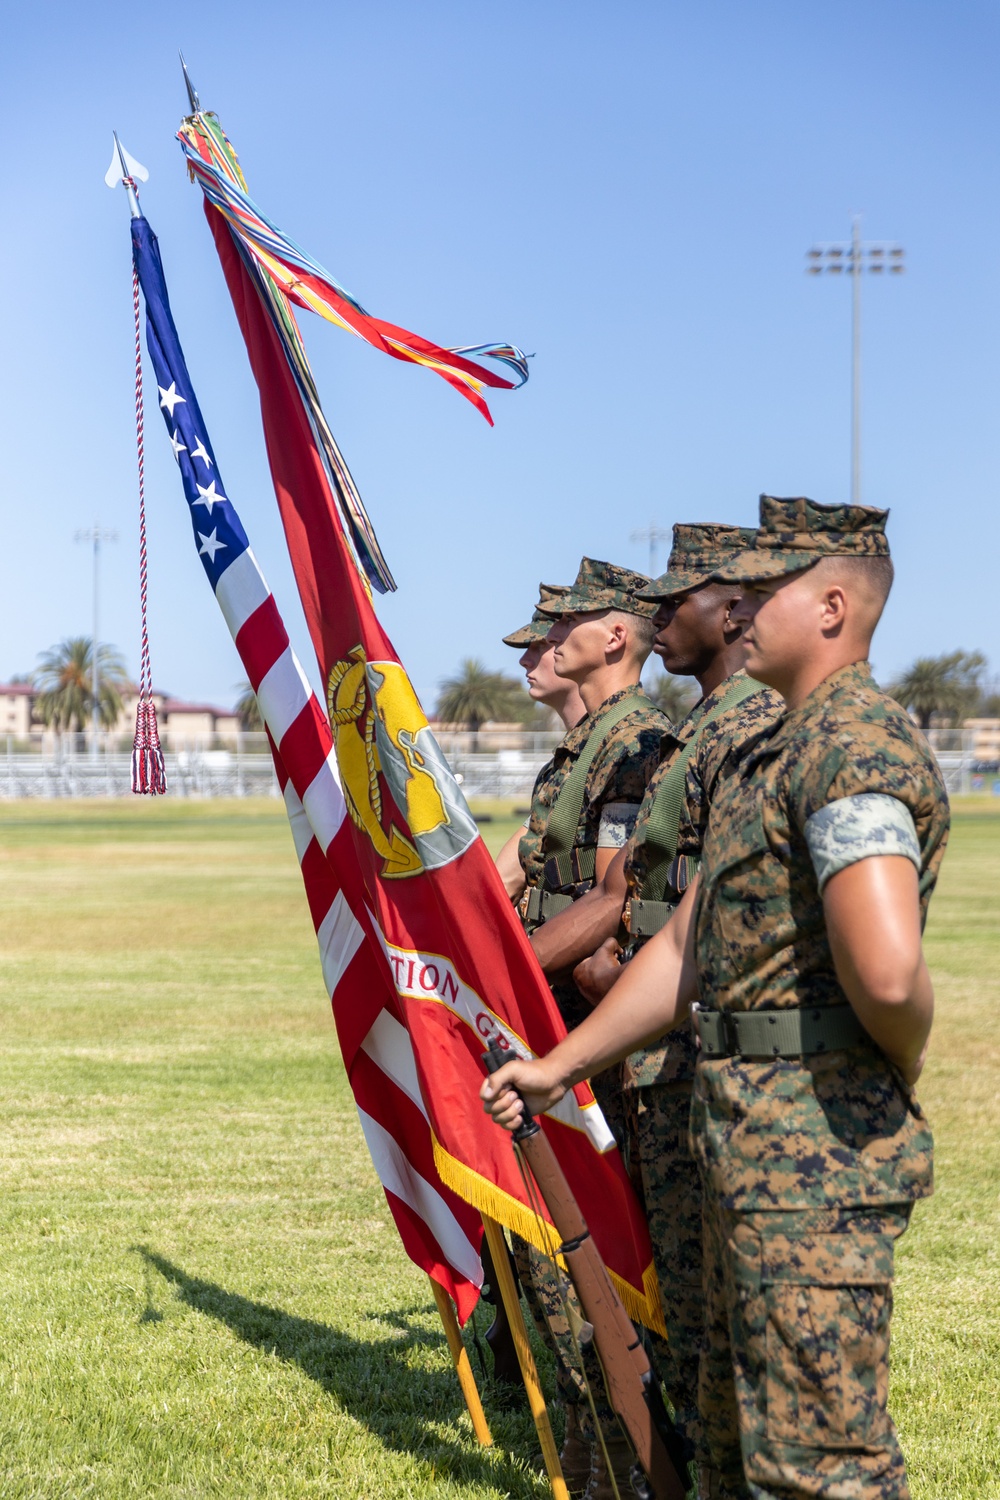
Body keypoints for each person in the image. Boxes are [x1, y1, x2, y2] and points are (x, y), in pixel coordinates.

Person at [483, 497, 949, 1500]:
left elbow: (885, 975)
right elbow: (690, 938)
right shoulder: (771, 747)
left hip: (816, 1150)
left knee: (819, 1463)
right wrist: (559, 1064)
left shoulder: (850, 750)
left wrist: (888, 1064)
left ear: (830, 607)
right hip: (744, 1132)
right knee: (734, 1434)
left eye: (762, 590)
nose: (739, 610)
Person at [530, 524, 783, 1491]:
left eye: (678, 597)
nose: (659, 610)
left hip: (690, 1054)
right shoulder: (698, 733)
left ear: (732, 611)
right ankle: (652, 1463)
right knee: (672, 1292)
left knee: (700, 1309)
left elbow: (667, 910)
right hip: (647, 1037)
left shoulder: (731, 730)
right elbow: (636, 887)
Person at [511, 557, 669, 1499]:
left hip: (601, 1024)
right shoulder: (581, 753)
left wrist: (507, 972)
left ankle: (628, 1445)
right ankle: (594, 1446)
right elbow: (532, 878)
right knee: (563, 1238)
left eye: (562, 626)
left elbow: (613, 898)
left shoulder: (638, 741)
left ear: (613, 637)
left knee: (610, 1238)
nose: (542, 643)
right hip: (564, 1012)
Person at [495, 585, 586, 899]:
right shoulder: (565, 759)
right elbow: (504, 879)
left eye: (540, 645)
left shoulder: (615, 745)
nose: (524, 660)